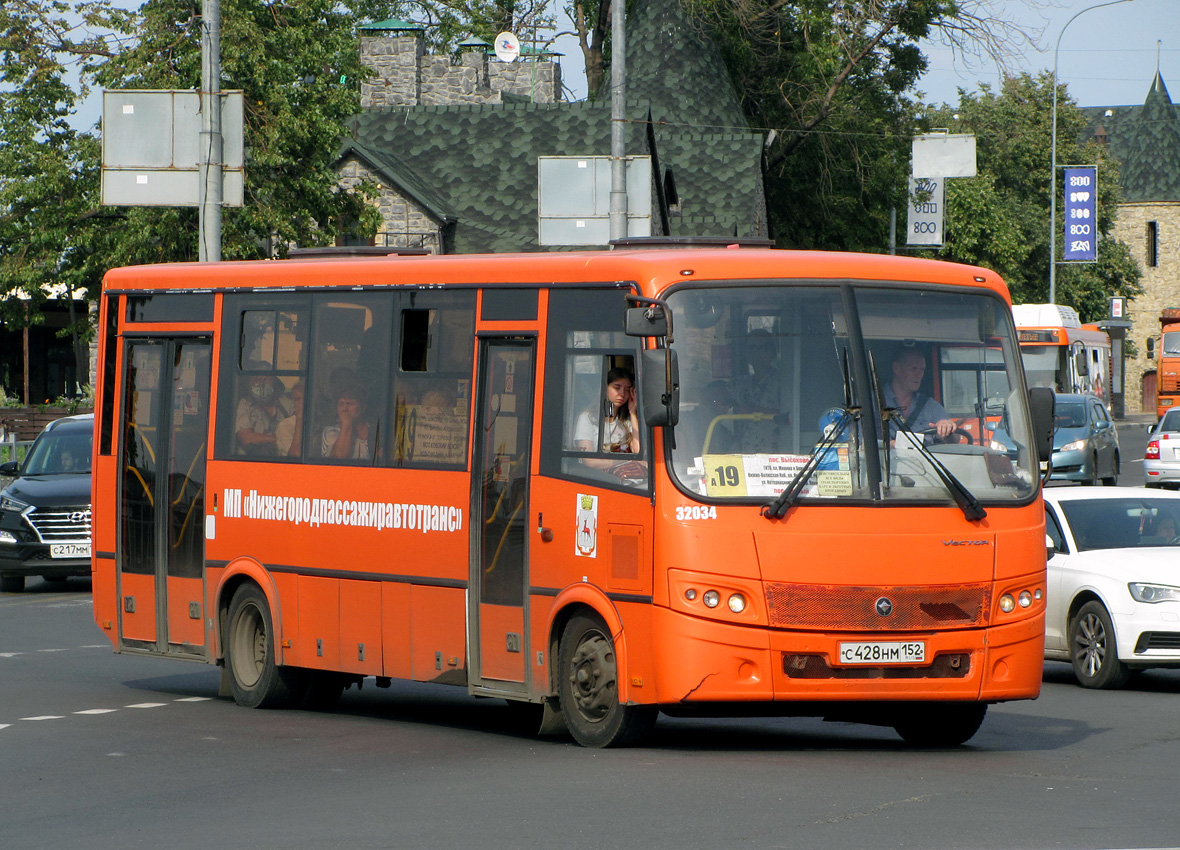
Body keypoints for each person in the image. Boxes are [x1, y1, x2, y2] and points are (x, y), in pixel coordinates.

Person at [575, 366, 641, 470]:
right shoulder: (586, 418)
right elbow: (589, 461)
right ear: (605, 388)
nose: (622, 394)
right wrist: (627, 458)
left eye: (627, 390)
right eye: (617, 388)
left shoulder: (626, 419)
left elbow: (638, 451)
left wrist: (633, 413)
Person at [883, 347, 956, 441]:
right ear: (896, 368)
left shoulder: (930, 406)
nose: (919, 375)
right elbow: (861, 441)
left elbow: (955, 439)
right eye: (914, 369)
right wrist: (890, 445)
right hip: (884, 455)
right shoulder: (872, 403)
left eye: (922, 370)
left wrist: (947, 429)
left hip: (924, 456)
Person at [681, 380, 738, 456]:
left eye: (729, 403)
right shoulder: (679, 424)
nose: (727, 408)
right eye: (723, 402)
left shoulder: (726, 436)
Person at [235, 375, 289, 456]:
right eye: (256, 379)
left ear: (274, 382)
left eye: (267, 378)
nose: (262, 384)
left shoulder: (285, 402)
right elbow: (246, 438)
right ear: (249, 383)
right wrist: (279, 439)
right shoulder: (245, 404)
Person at [321, 378, 372, 460]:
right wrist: (346, 423)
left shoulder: (374, 431)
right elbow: (338, 459)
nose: (344, 409)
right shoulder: (330, 432)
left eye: (351, 404)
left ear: (363, 407)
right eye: (341, 404)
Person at [275, 380, 305, 457]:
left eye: (305, 398)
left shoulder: (319, 423)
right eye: (297, 399)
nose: (302, 403)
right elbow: (295, 454)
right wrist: (299, 419)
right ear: (293, 401)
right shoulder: (285, 426)